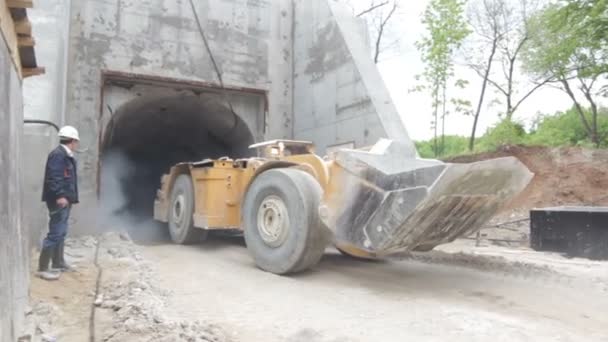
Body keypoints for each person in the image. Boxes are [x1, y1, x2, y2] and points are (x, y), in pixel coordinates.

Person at [38, 125, 80, 280]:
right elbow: (54, 177)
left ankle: (58, 263)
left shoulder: (65, 155)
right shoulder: (58, 155)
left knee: (61, 232)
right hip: (59, 200)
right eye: (77, 142)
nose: (77, 145)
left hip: (65, 200)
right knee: (55, 233)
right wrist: (60, 195)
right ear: (73, 141)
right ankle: (42, 268)